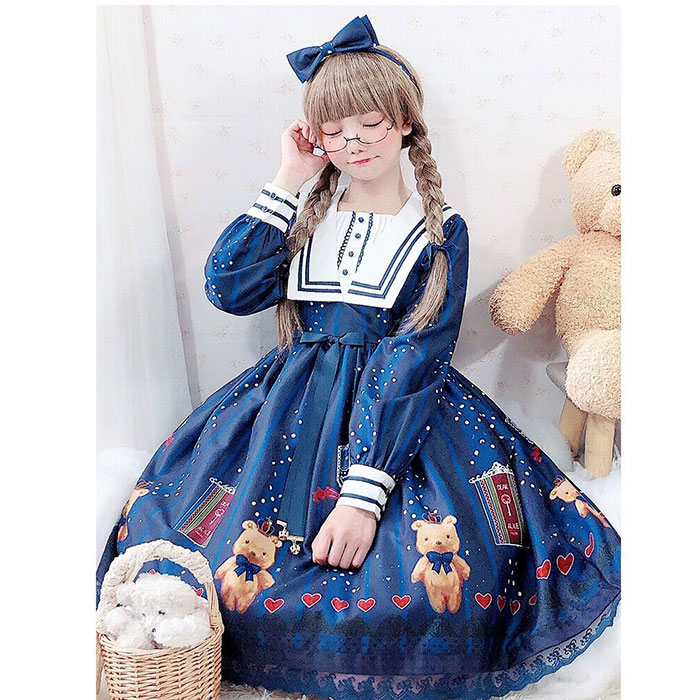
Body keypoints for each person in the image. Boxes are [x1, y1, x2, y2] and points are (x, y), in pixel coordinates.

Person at [96, 15, 621, 700]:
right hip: (288, 406)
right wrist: (288, 177)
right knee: (197, 556)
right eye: (335, 130)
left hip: (397, 408)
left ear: (403, 123)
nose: (353, 142)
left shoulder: (438, 233)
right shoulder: (302, 219)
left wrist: (364, 495)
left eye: (370, 123)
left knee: (430, 593)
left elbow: (418, 354)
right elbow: (228, 288)